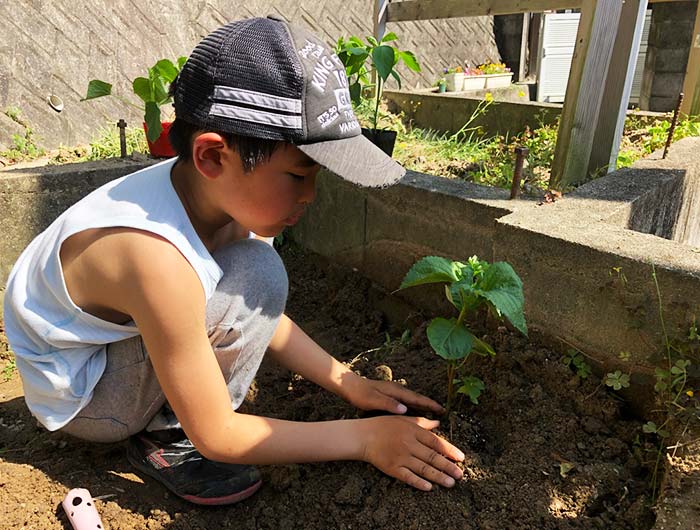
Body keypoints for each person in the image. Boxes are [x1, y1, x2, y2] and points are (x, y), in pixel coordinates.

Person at [3, 16, 464, 506]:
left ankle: (169, 414)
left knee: (256, 272)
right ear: (212, 156)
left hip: (114, 348)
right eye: (297, 175)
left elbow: (253, 308)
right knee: (257, 274)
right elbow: (219, 435)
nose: (310, 196)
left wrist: (347, 382)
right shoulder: (153, 256)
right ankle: (166, 437)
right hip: (89, 400)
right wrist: (366, 438)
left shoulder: (214, 195)